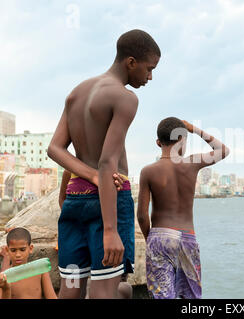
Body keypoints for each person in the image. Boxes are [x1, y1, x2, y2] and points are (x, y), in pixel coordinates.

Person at [47, 29, 160, 299]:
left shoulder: (77, 93)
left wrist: (90, 175)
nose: (150, 77)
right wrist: (110, 230)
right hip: (107, 203)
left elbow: (54, 148)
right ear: (131, 62)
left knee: (70, 291)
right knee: (103, 293)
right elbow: (108, 161)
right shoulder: (125, 98)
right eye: (149, 68)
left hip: (75, 202)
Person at [137, 117, 230, 299]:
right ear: (183, 140)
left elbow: (141, 215)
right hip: (188, 237)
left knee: (162, 295)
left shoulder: (148, 171)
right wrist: (194, 129)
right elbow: (223, 150)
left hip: (160, 236)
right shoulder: (192, 163)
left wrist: (151, 239)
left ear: (158, 142)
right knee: (190, 297)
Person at [58, 169, 132, 299]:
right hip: (78, 221)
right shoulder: (70, 171)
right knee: (74, 289)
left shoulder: (70, 171)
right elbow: (62, 199)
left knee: (92, 290)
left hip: (94, 218)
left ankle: (122, 289)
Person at [0, 227, 57, 299]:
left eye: (22, 249)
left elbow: (51, 297)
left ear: (30, 248)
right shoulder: (6, 276)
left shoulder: (40, 270)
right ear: (7, 250)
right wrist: (6, 289)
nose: (18, 255)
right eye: (13, 250)